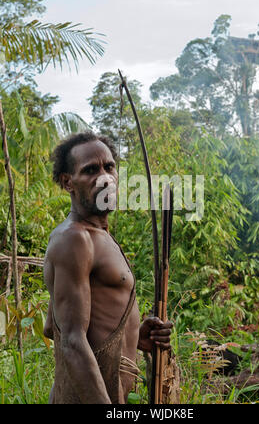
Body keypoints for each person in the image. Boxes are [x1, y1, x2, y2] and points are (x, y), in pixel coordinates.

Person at [43, 132, 172, 404]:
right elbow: (71, 341)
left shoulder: (100, 235)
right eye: (90, 170)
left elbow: (50, 325)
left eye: (109, 167)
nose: (104, 177)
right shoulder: (74, 238)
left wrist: (135, 335)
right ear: (68, 182)